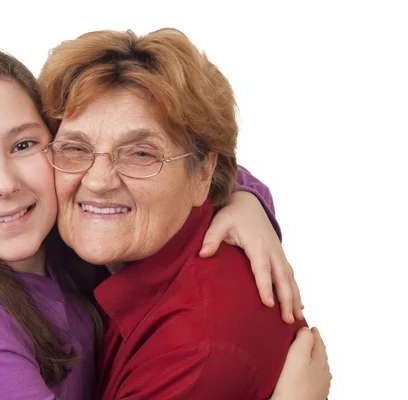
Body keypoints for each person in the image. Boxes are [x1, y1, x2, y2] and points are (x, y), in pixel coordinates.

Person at [0, 49, 327, 399]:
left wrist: (245, 200)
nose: (3, 183)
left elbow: (184, 165)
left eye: (23, 145)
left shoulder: (62, 237)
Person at [38, 28, 330, 399]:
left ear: (203, 173)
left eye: (141, 154)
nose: (98, 181)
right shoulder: (61, 238)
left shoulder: (193, 351)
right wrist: (247, 197)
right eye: (75, 148)